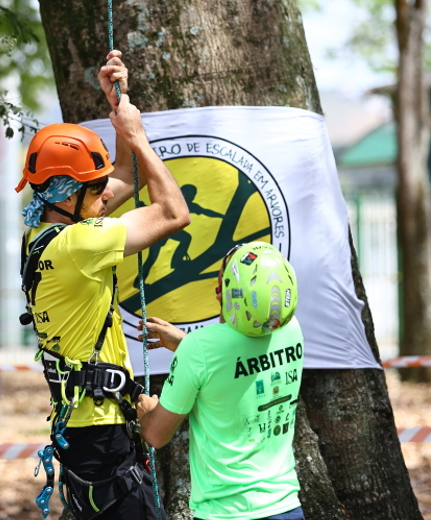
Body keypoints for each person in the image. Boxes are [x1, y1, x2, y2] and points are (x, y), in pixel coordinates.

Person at [17, 50, 189, 520]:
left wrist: (118, 109)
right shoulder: (80, 243)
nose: (106, 193)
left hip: (87, 427)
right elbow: (174, 213)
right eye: (95, 188)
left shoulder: (43, 233)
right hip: (99, 433)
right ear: (67, 194)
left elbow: (125, 178)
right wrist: (138, 136)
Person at [136, 242, 305, 520]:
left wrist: (146, 413)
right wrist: (187, 345)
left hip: (225, 512)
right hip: (286, 506)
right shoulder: (292, 330)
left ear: (221, 292)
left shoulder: (200, 349)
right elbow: (237, 358)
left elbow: (156, 435)